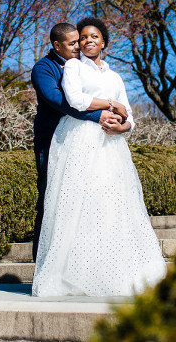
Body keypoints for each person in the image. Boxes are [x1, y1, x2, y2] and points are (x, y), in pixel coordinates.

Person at [32, 17, 167, 297]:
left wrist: (123, 125)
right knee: (75, 202)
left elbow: (129, 115)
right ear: (76, 45)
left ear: (103, 42)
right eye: (82, 38)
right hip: (78, 140)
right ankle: (68, 273)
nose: (87, 40)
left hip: (111, 145)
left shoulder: (115, 77)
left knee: (110, 203)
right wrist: (109, 105)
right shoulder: (70, 67)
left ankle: (109, 269)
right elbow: (74, 100)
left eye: (94, 36)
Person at [30, 23, 124, 261]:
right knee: (50, 198)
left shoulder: (83, 67)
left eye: (78, 41)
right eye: (72, 43)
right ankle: (41, 263)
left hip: (80, 142)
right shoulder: (44, 68)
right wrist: (100, 112)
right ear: (57, 45)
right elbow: (60, 101)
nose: (78, 46)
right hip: (51, 140)